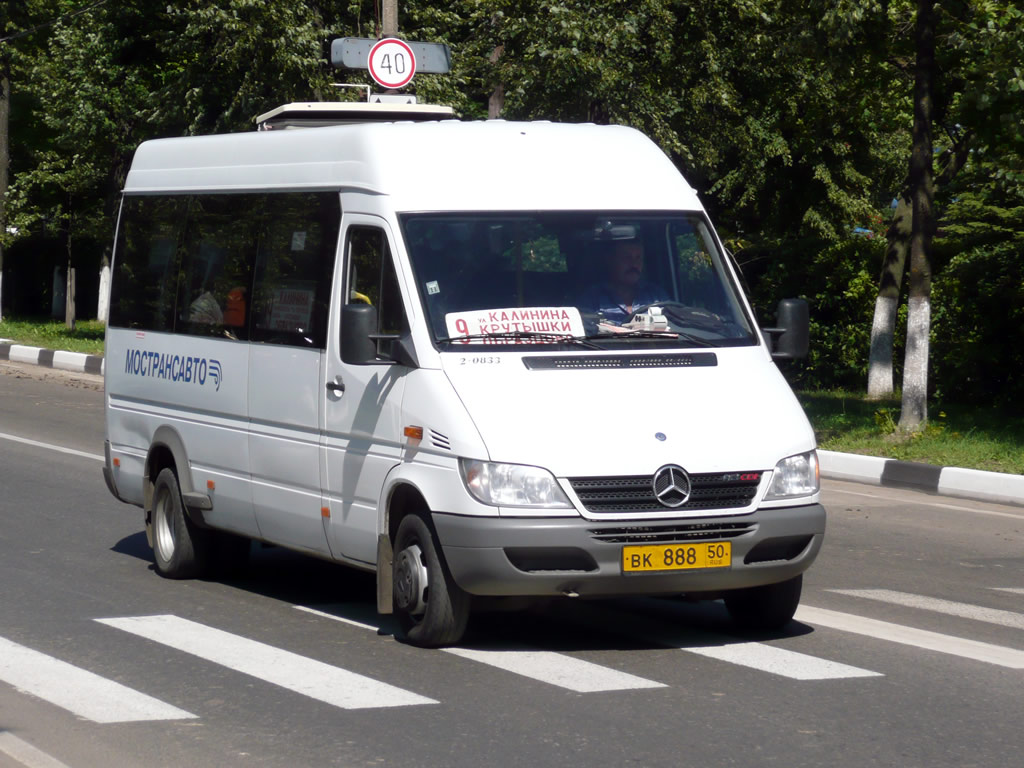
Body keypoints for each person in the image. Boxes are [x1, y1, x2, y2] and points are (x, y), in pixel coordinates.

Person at [580, 238, 666, 325]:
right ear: (610, 260)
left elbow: (673, 324)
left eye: (638, 258)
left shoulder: (656, 295)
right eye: (627, 258)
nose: (634, 264)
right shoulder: (592, 298)